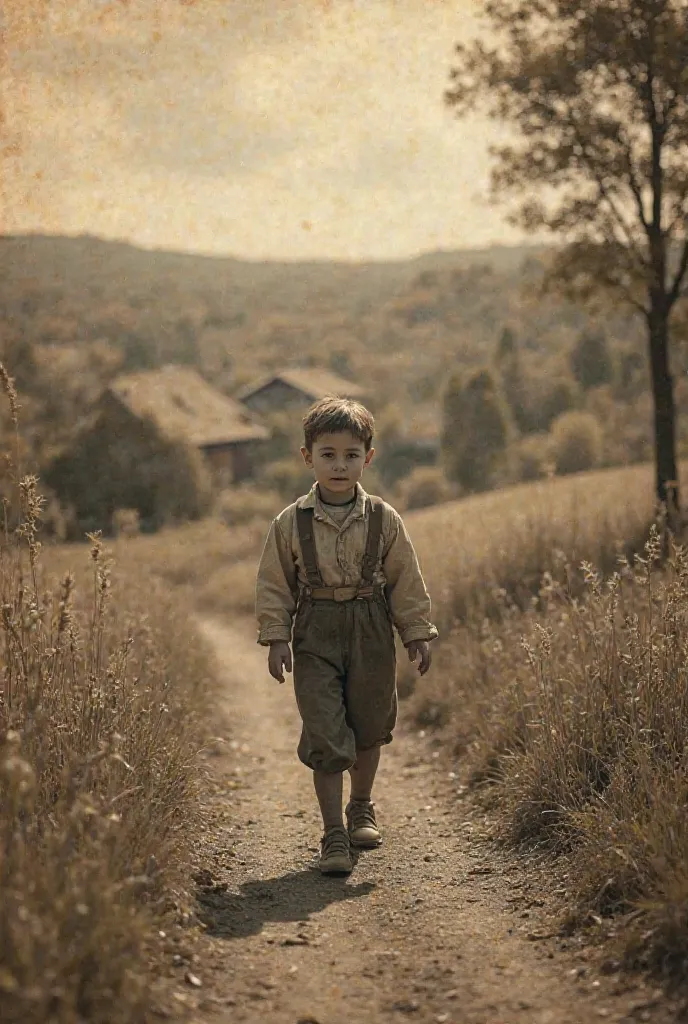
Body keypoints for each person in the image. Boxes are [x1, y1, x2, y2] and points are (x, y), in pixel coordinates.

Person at [255, 396, 438, 875]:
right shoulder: (290, 523)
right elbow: (275, 584)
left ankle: (361, 807)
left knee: (370, 722)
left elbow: (406, 580)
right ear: (307, 456)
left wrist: (415, 632)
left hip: (372, 628)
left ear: (368, 458)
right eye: (328, 454)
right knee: (325, 729)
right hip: (315, 630)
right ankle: (333, 834)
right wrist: (276, 637)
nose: (339, 465)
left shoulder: (384, 518)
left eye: (351, 455)